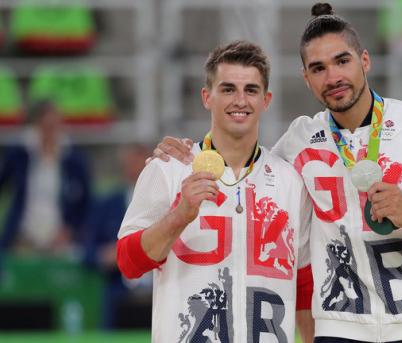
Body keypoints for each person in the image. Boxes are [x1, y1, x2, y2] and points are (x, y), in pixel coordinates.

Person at [152, 3, 402, 342]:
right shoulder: (299, 141)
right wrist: (187, 153)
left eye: (342, 61)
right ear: (306, 79)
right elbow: (245, 164)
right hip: (339, 329)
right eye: (318, 68)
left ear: (364, 61)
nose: (333, 77)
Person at [115, 41, 314, 343]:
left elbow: (304, 287)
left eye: (251, 90)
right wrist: (179, 216)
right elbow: (129, 263)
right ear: (207, 97)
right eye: (228, 89)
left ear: (266, 100)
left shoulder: (290, 181)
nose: (240, 100)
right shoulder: (168, 169)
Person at [0, 99, 91, 255]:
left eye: (54, 126)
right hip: (23, 238)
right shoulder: (20, 153)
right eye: (45, 126)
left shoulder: (74, 158)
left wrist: (70, 230)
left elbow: (86, 202)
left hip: (60, 240)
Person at [83, 143, 153, 329]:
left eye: (140, 163)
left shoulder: (169, 201)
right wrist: (105, 255)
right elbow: (87, 253)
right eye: (130, 163)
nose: (135, 168)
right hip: (119, 296)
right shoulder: (106, 204)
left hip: (159, 293)